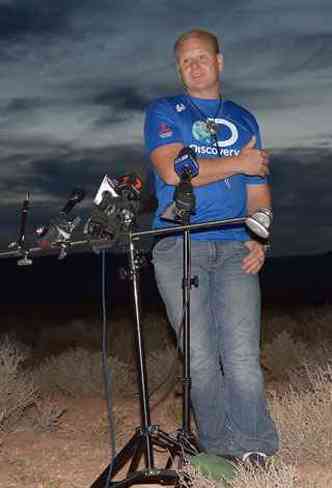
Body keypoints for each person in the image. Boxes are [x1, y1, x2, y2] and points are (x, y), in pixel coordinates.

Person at [144, 29, 279, 465]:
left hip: (236, 246)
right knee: (200, 359)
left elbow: (258, 192)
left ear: (219, 62)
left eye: (202, 57)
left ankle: (256, 447)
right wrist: (238, 161)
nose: (195, 65)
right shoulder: (165, 111)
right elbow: (173, 170)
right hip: (180, 246)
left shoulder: (244, 118)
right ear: (179, 68)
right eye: (186, 61)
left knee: (241, 355)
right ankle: (219, 449)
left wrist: (260, 237)